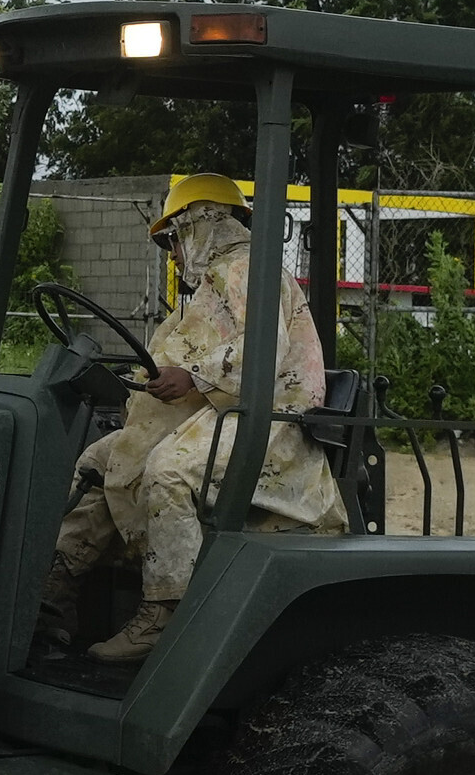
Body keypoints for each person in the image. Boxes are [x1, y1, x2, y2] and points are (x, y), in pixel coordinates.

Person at [44, 172, 350, 662]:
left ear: (199, 223)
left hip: (270, 420)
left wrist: (191, 377)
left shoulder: (249, 269)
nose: (171, 251)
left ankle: (165, 614)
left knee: (169, 469)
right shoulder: (214, 282)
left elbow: (262, 352)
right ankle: (54, 593)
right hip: (227, 408)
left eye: (171, 237)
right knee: (103, 458)